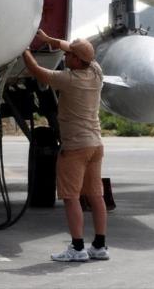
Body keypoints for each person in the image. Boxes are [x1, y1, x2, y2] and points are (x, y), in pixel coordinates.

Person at [22, 29, 110, 262]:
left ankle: (78, 247)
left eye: (70, 55)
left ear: (77, 61)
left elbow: (37, 72)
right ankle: (99, 246)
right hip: (95, 145)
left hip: (74, 148)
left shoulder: (69, 79)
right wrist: (51, 41)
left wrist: (23, 48)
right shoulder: (95, 71)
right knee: (96, 196)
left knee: (71, 197)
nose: (65, 58)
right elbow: (74, 51)